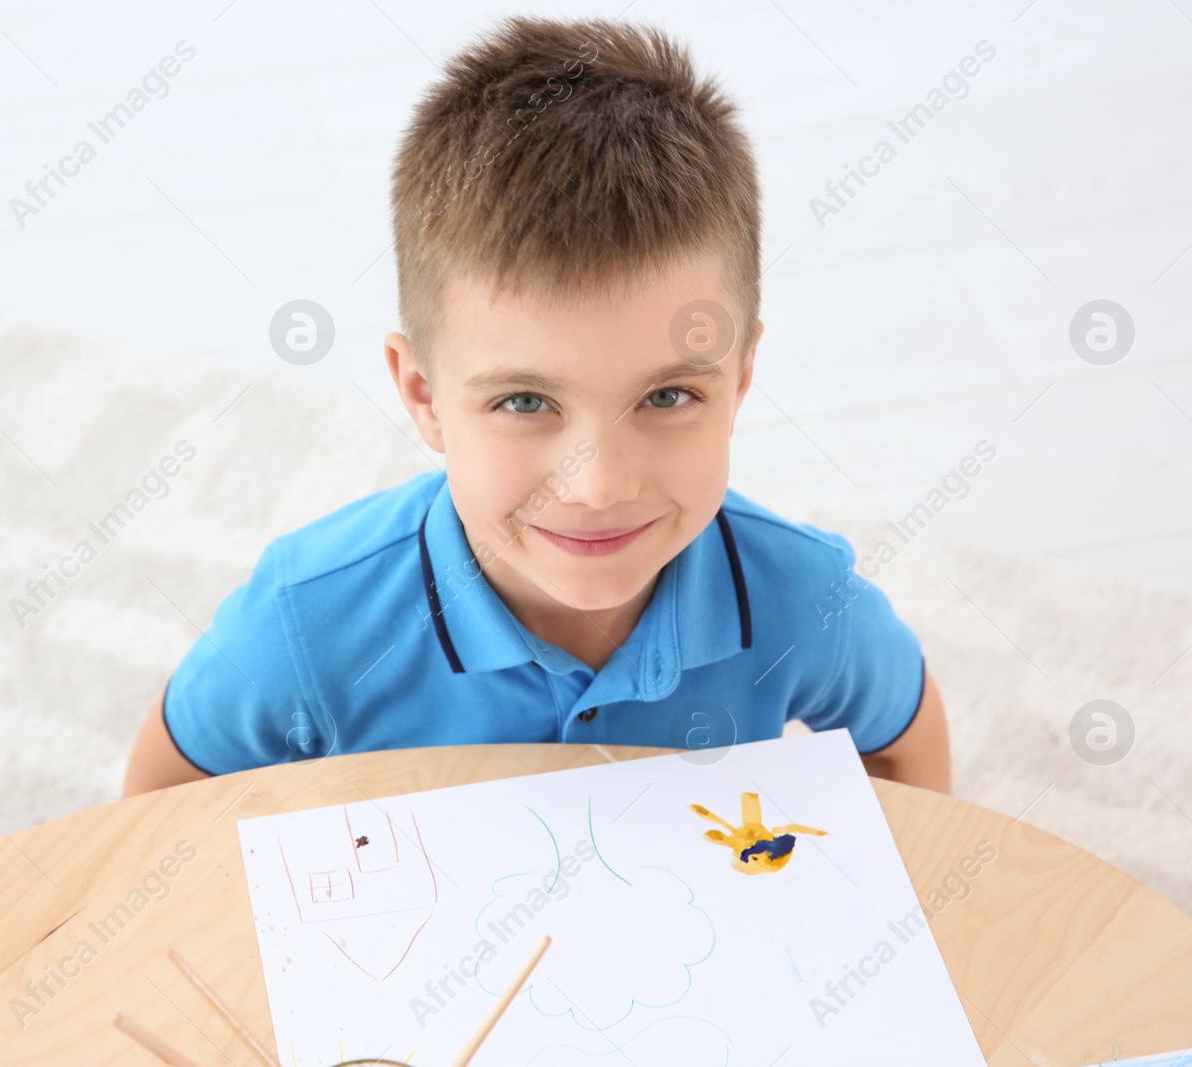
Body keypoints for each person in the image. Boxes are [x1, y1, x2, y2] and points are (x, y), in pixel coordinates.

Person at [122, 15, 950, 797]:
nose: (597, 486)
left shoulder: (805, 597)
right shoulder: (306, 617)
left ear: (738, 380)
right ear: (424, 395)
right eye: (526, 401)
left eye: (668, 395)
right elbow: (163, 799)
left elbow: (905, 736)